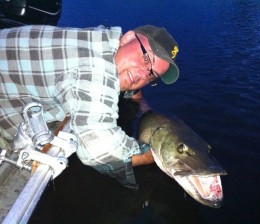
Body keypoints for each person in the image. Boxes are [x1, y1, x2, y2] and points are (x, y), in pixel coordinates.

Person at [0, 24, 179, 189]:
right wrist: (160, 155)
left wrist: (142, 105)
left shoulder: (101, 40)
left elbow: (129, 78)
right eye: (146, 58)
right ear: (129, 38)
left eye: (152, 76)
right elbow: (100, 152)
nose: (142, 74)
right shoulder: (96, 69)